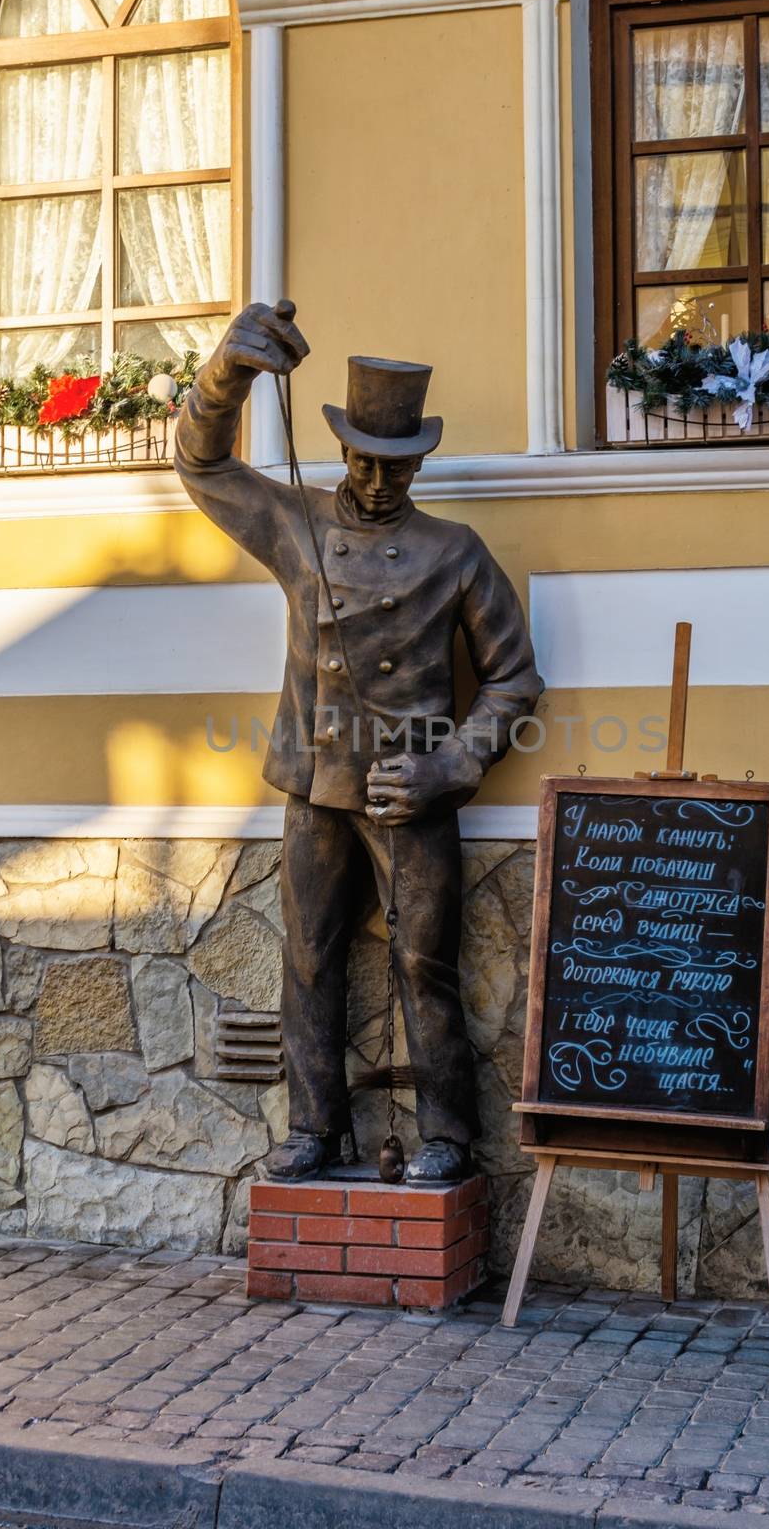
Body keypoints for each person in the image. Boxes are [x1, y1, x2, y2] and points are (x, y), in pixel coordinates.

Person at [174, 301, 543, 1183]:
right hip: (313, 782)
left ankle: (448, 1138)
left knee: (427, 965)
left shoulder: (454, 551)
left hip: (410, 791)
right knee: (308, 960)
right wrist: (226, 372)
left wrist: (450, 764)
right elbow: (201, 461)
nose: (380, 483)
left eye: (400, 468)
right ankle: (313, 1128)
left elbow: (515, 678)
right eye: (368, 464)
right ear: (343, 450)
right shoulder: (293, 521)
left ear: (419, 464)